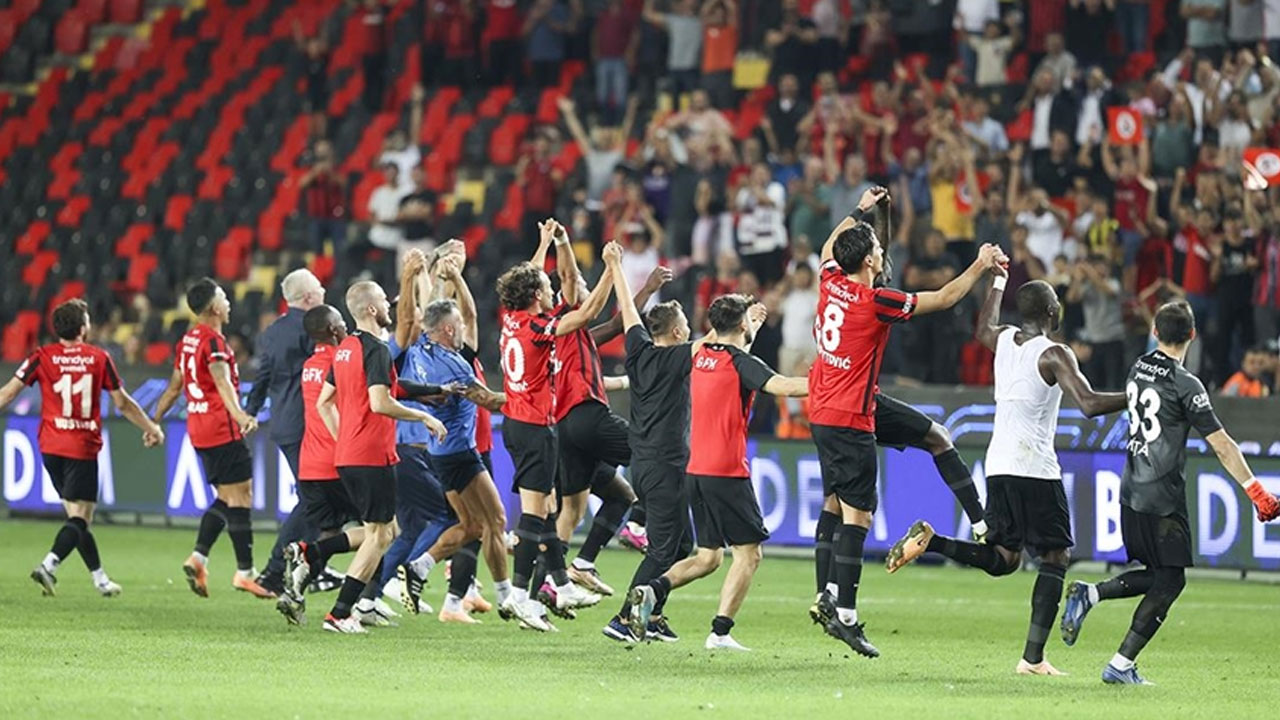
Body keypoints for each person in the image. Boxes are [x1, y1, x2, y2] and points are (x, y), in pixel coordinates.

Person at [886, 276, 1127, 675]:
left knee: (1004, 558)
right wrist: (1136, 393)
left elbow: (982, 327)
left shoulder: (1005, 340)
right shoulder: (1054, 354)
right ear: (1053, 313)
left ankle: (934, 542)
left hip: (998, 464)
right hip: (1034, 467)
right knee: (1055, 556)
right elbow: (1087, 403)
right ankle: (1032, 660)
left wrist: (998, 278)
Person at [807, 188, 1006, 658]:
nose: (881, 248)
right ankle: (846, 616)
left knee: (936, 437)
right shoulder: (873, 301)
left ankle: (979, 522)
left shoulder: (830, 278)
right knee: (858, 512)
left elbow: (828, 246)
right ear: (870, 263)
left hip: (834, 405)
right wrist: (979, 265)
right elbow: (943, 297)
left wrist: (859, 208)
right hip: (849, 414)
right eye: (875, 247)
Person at [1059, 301, 1280, 684]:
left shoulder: (1137, 368)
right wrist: (1255, 490)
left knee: (1159, 574)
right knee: (1171, 580)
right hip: (1163, 498)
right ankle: (1120, 664)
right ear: (1192, 335)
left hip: (1130, 491)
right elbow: (1222, 444)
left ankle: (1092, 596)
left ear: (1156, 333)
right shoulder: (1186, 384)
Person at [626, 294, 809, 651]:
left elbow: (728, 339)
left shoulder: (700, 357)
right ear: (741, 325)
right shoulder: (742, 362)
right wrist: (834, 382)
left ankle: (652, 589)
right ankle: (720, 633)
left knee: (709, 557)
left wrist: (748, 322)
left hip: (695, 471)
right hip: (727, 472)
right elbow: (782, 386)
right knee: (750, 554)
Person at [397, 251, 532, 628]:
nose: (463, 327)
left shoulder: (420, 349)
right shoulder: (454, 364)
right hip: (460, 451)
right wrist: (529, 395)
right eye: (457, 324)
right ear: (448, 331)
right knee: (497, 520)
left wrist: (453, 277)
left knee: (473, 526)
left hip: (441, 452)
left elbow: (462, 314)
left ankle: (420, 566)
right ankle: (507, 595)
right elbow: (487, 399)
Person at [493, 239, 622, 630]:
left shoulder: (512, 319)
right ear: (536, 297)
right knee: (535, 515)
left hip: (517, 423)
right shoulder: (539, 328)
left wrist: (545, 244)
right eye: (547, 290)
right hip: (535, 427)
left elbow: (527, 282)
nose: (554, 292)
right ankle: (520, 597)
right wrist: (611, 269)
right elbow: (587, 314)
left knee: (548, 509)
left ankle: (562, 585)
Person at [3, 300, 164, 597]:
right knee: (81, 518)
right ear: (83, 327)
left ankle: (100, 578)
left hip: (50, 447)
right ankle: (49, 565)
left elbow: (8, 393)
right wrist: (151, 428)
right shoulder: (98, 358)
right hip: (81, 447)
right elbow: (122, 403)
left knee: (75, 517)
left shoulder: (41, 356)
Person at [313, 281, 447, 633]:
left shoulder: (345, 348)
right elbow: (380, 402)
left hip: (350, 455)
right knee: (379, 537)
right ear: (371, 309)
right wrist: (424, 416)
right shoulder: (375, 348)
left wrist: (344, 438)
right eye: (384, 302)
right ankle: (341, 612)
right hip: (372, 455)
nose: (389, 305)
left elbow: (323, 402)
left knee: (384, 531)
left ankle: (315, 558)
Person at [154, 279, 273, 599]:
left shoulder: (188, 341)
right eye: (224, 296)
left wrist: (154, 421)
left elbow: (174, 386)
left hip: (199, 429)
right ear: (213, 308)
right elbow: (223, 384)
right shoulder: (214, 344)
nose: (229, 301)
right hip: (222, 428)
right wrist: (241, 417)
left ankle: (199, 557)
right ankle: (245, 572)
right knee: (242, 496)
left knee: (227, 496)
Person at [275, 305, 363, 626]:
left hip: (310, 465)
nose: (346, 326)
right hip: (338, 462)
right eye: (341, 322)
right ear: (332, 330)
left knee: (330, 535)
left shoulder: (310, 364)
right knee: (382, 531)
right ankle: (365, 602)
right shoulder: (338, 365)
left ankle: (295, 592)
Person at [244, 269, 326, 595]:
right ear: (308, 298)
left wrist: (251, 410)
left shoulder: (273, 330)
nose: (323, 293)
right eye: (319, 289)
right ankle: (274, 572)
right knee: (314, 500)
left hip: (282, 423)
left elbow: (262, 375)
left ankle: (311, 567)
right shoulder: (312, 327)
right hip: (307, 425)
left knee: (319, 499)